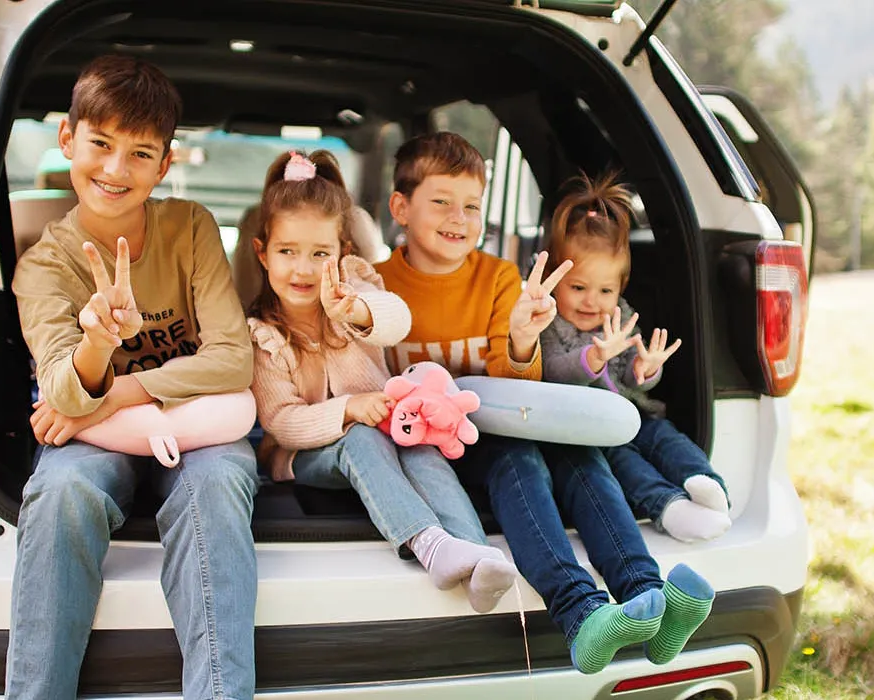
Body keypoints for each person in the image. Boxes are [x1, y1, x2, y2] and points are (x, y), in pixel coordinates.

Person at [375, 132, 712, 674]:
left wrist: (523, 338)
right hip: (422, 447)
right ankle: (581, 611)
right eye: (440, 201)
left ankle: (651, 601)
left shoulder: (499, 278)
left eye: (471, 206)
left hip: (492, 425)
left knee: (578, 457)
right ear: (400, 207)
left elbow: (517, 383)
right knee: (523, 462)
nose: (457, 217)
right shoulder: (378, 284)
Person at [9, 54, 258, 699]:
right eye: (100, 145)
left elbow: (235, 358)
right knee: (61, 493)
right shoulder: (44, 266)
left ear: (164, 165)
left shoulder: (191, 227)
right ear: (66, 137)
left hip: (196, 430)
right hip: (98, 438)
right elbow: (62, 391)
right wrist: (97, 341)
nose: (116, 170)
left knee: (219, 486)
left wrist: (115, 389)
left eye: (140, 153)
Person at [247, 150, 520, 612]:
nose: (304, 269)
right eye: (287, 252)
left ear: (344, 255)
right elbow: (281, 422)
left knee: (424, 451)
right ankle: (430, 545)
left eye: (320, 254)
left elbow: (397, 319)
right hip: (306, 456)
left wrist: (353, 308)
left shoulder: (356, 289)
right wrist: (348, 410)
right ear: (263, 253)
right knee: (363, 442)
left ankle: (477, 557)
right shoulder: (263, 334)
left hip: (388, 429)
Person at [537, 173, 732, 544]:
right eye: (577, 288)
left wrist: (645, 369)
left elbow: (630, 376)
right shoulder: (550, 324)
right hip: (592, 429)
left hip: (635, 413)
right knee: (625, 464)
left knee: (666, 438)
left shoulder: (621, 316)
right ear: (553, 279)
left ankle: (705, 482)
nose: (591, 301)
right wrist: (593, 357)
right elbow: (551, 371)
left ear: (621, 288)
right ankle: (669, 506)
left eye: (605, 290)